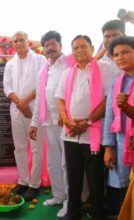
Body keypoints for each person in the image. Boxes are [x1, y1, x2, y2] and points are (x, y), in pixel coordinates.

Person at [56, 35, 117, 220]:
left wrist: (88, 121)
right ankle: (73, 213)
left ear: (92, 48)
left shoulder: (105, 69)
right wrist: (66, 120)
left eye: (83, 46)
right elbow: (60, 98)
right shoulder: (68, 73)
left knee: (95, 178)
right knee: (73, 177)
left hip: (93, 133)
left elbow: (108, 99)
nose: (79, 50)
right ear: (72, 51)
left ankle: (98, 214)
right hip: (70, 134)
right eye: (75, 47)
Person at [3, 31, 46, 201]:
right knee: (19, 148)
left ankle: (34, 184)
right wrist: (20, 104)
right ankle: (23, 181)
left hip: (34, 109)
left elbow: (41, 84)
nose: (19, 43)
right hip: (16, 110)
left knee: (36, 149)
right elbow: (7, 87)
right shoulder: (10, 64)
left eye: (22, 40)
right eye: (16, 41)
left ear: (28, 42)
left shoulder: (40, 60)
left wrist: (26, 102)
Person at [29, 31, 68, 217]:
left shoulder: (70, 63)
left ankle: (71, 201)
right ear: (43, 48)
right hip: (48, 121)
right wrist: (34, 123)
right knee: (53, 162)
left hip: (65, 121)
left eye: (53, 44)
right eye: (47, 45)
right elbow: (39, 98)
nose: (50, 48)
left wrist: (66, 113)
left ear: (60, 45)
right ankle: (58, 195)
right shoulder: (44, 69)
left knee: (66, 163)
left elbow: (73, 91)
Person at [103, 36, 134, 218]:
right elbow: (109, 118)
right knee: (123, 190)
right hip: (122, 144)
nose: (120, 57)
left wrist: (127, 108)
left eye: (125, 52)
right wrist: (108, 148)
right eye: (116, 54)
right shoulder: (116, 84)